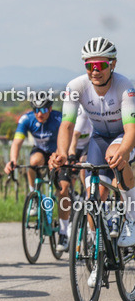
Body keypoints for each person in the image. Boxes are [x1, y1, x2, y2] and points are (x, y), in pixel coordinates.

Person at [51, 38, 135, 268]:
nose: (95, 71)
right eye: (89, 65)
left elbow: (131, 130)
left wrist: (124, 152)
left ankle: (131, 217)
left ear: (113, 65)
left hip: (123, 136)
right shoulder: (76, 86)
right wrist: (60, 153)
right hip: (98, 138)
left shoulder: (124, 87)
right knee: (93, 196)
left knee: (115, 155)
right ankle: (97, 248)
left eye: (100, 65)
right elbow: (67, 125)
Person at [6, 95, 72, 242]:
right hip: (40, 151)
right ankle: (34, 195)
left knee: (63, 190)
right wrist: (12, 160)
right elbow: (17, 142)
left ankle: (63, 232)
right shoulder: (27, 119)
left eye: (43, 109)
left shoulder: (59, 119)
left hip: (59, 152)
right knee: (34, 161)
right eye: (36, 110)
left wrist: (65, 155)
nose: (39, 114)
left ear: (50, 108)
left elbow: (70, 137)